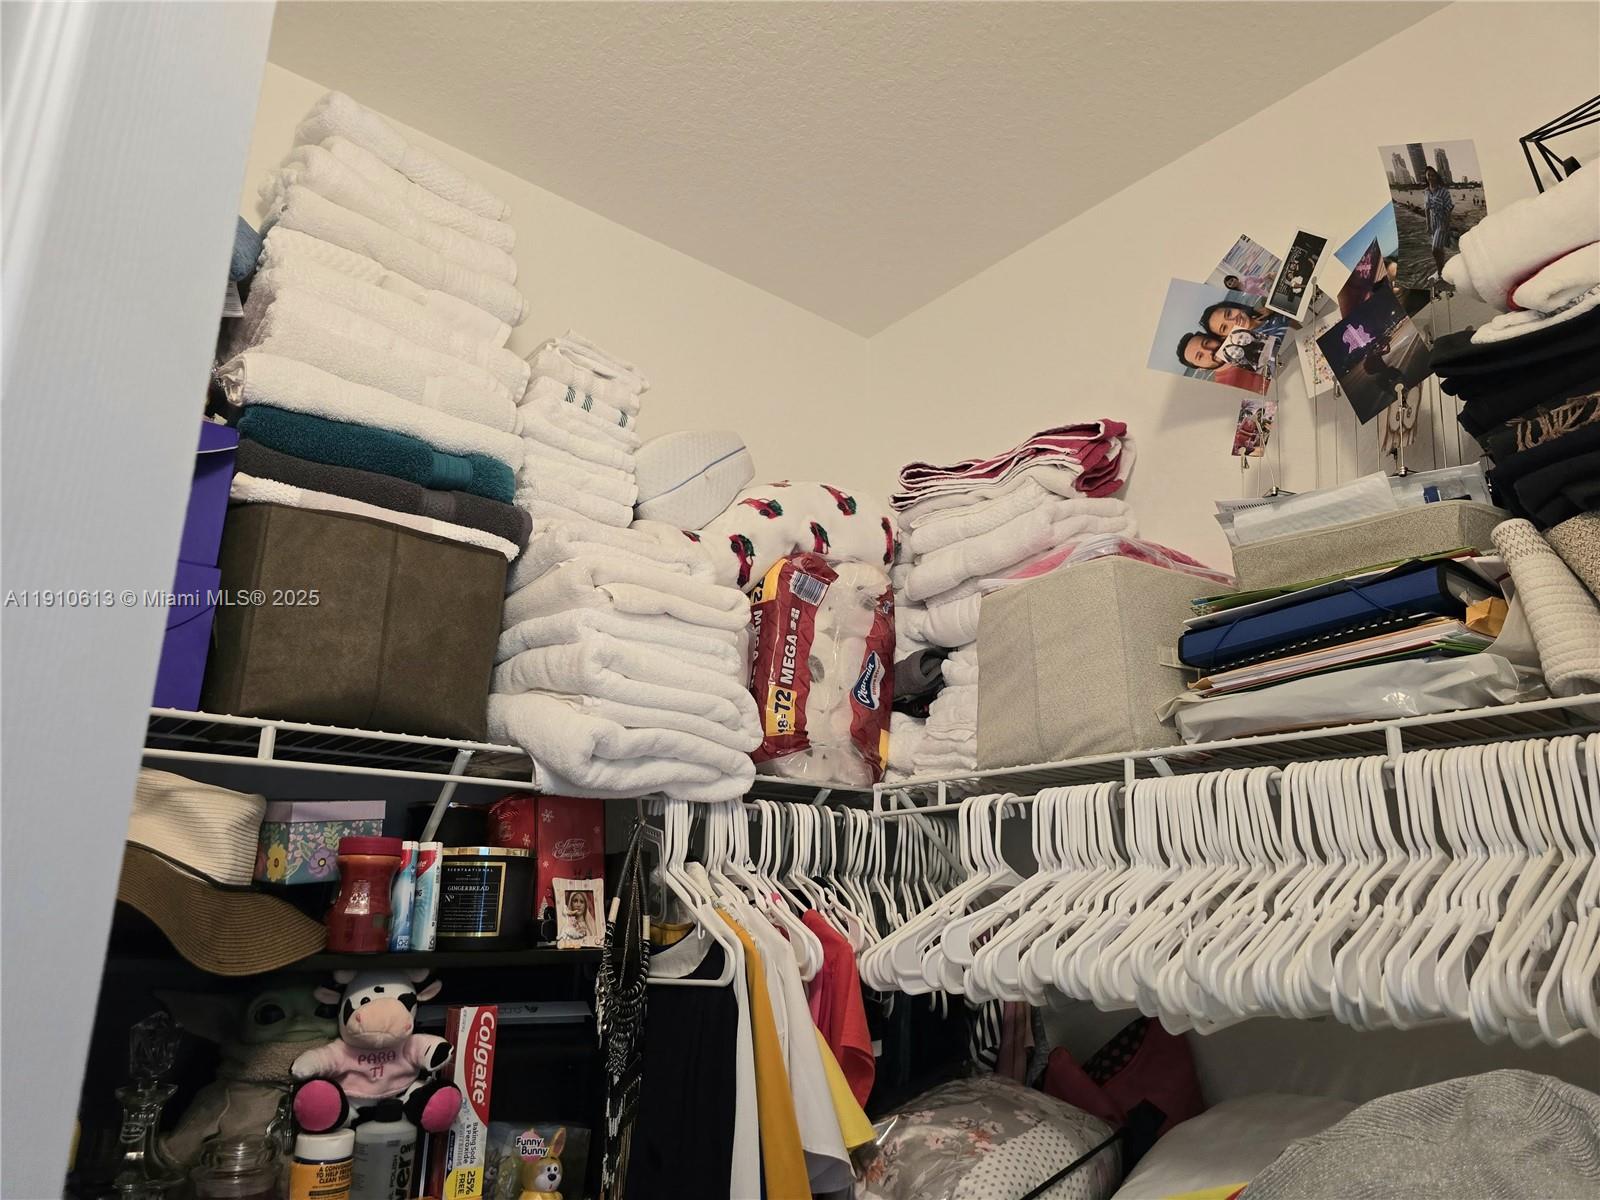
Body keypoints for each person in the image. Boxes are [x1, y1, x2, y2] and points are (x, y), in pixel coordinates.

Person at [1175, 331, 1268, 394]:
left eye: (1207, 343)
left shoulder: (1245, 337)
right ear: (1201, 369)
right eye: (1200, 356)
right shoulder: (1227, 390)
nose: (1209, 351)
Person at [1202, 300, 1291, 340]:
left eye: (1229, 313)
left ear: (1234, 307)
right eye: (1224, 327)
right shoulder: (1261, 344)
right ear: (1225, 337)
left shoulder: (1267, 306)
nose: (1233, 321)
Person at [1423, 165, 1454, 278]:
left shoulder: (1444, 192)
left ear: (1436, 176)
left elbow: (1449, 209)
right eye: (1428, 175)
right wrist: (1428, 225)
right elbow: (1426, 209)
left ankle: (1440, 272)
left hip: (1441, 222)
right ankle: (1442, 269)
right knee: (1439, 249)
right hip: (1432, 222)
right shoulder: (1426, 192)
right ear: (1426, 177)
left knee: (1435, 249)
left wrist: (1446, 225)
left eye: (1433, 175)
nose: (1431, 177)